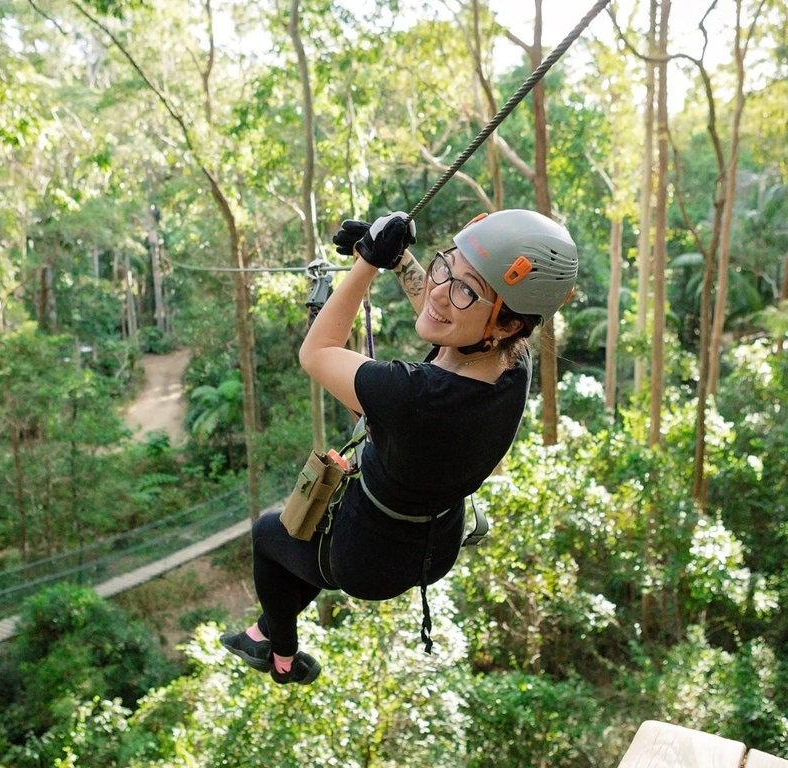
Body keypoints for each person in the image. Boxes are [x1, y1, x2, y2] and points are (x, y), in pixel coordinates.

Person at [220, 209, 578, 685]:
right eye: (445, 264)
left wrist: (366, 263)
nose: (437, 291)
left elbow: (316, 351)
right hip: (437, 540)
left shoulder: (414, 396)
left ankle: (282, 657)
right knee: (301, 557)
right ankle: (266, 630)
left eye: (466, 289)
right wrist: (399, 259)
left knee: (270, 536)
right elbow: (444, 319)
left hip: (367, 559)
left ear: (508, 324)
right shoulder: (513, 363)